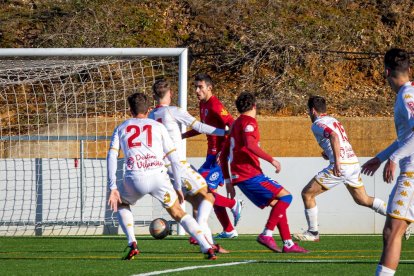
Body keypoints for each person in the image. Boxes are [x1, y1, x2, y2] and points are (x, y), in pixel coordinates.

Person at [107, 92, 217, 260]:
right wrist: (178, 186)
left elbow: (112, 156)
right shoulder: (158, 127)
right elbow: (174, 158)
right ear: (149, 109)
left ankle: (132, 243)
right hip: (158, 176)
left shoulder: (121, 127)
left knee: (122, 203)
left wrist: (113, 186)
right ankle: (206, 246)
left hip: (134, 177)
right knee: (178, 212)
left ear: (130, 110)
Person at [220, 91, 308, 253]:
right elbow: (250, 145)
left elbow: (223, 155)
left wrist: (228, 182)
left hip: (240, 177)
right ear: (254, 106)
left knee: (278, 205)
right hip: (250, 174)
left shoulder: (234, 125)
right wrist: (272, 160)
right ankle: (267, 234)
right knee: (287, 197)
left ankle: (288, 243)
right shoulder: (249, 123)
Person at [149, 79, 228, 253]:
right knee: (208, 196)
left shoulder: (150, 116)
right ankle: (203, 231)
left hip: (161, 168)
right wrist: (225, 132)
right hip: (177, 164)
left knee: (197, 203)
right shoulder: (174, 111)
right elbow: (200, 126)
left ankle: (209, 244)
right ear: (170, 94)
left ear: (154, 96)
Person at [293, 96, 387, 242]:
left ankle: (313, 232)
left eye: (308, 111)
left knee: (307, 194)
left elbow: (334, 137)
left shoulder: (317, 123)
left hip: (341, 165)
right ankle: (400, 216)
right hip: (353, 163)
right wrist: (329, 153)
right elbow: (339, 140)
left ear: (312, 110)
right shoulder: (334, 120)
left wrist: (336, 161)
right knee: (363, 199)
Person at [361, 48, 414, 276]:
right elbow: (405, 137)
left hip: (412, 174)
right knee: (393, 231)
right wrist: (381, 157)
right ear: (409, 69)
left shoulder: (407, 96)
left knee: (392, 232)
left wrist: (394, 158)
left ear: (386, 72)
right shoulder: (406, 94)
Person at [182, 73, 242, 239]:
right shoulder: (203, 104)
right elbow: (203, 127)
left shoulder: (215, 105)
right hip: (211, 155)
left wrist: (223, 152)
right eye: (195, 86)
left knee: (203, 191)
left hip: (219, 156)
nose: (196, 90)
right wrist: (183, 135)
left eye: (200, 87)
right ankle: (229, 229)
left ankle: (234, 204)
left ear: (210, 88)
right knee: (209, 195)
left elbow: (232, 125)